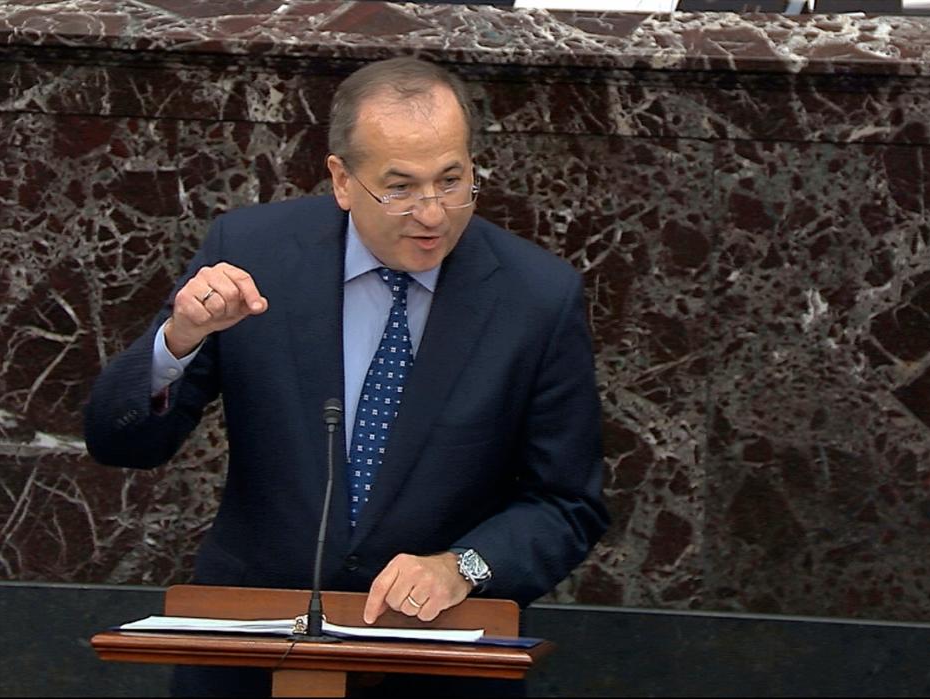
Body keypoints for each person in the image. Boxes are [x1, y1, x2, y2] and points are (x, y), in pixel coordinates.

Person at [83, 56, 609, 696]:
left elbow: (567, 502)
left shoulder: (537, 297)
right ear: (341, 178)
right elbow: (120, 441)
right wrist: (179, 340)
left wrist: (463, 566)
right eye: (401, 187)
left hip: (438, 666)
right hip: (250, 655)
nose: (433, 213)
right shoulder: (252, 254)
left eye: (452, 180)